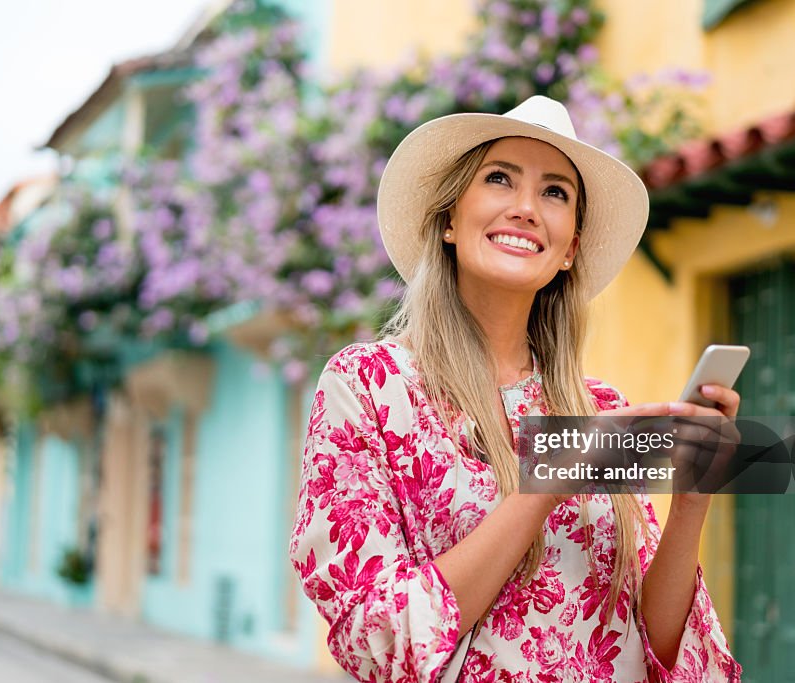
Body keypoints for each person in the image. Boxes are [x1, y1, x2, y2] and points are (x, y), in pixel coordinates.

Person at [288, 96, 742, 682]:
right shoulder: (369, 387)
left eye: (555, 192)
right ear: (449, 219)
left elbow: (651, 645)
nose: (526, 209)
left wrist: (691, 500)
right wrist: (546, 484)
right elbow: (381, 640)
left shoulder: (599, 408)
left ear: (570, 248)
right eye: (499, 179)